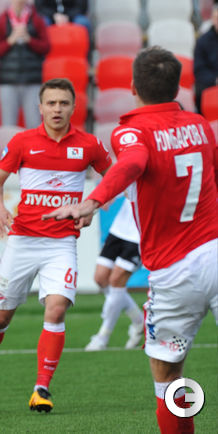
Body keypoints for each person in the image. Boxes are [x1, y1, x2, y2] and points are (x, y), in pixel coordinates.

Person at [44, 47, 218, 433]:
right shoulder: (201, 125)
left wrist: (92, 201)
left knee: (168, 375)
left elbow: (134, 161)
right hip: (215, 249)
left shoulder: (131, 131)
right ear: (178, 87)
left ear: (133, 87)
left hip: (176, 269)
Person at [0, 78, 111, 414]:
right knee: (0, 317)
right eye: (51, 103)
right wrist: (0, 209)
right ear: (40, 107)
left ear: (74, 107)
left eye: (64, 103)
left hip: (61, 244)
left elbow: (113, 178)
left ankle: (41, 388)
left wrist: (91, 207)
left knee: (56, 308)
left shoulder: (88, 144)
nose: (57, 109)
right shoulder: (23, 142)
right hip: (23, 241)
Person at [84, 197, 145, 351]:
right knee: (100, 278)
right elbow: (120, 184)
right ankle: (139, 321)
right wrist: (104, 197)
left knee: (117, 281)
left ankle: (102, 337)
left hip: (140, 235)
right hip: (119, 230)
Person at [0, 0, 50, 129]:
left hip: (32, 81)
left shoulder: (37, 19)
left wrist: (29, 40)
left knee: (34, 125)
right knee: (8, 125)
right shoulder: (0, 20)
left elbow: (46, 47)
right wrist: (10, 41)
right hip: (8, 81)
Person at [194, 2, 218, 114]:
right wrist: (215, 80)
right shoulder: (202, 41)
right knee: (201, 88)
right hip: (211, 83)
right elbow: (199, 70)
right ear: (213, 19)